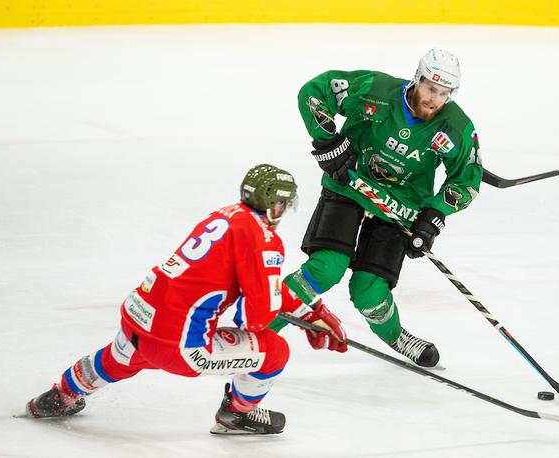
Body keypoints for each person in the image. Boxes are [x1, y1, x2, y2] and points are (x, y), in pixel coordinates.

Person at [24, 164, 347, 435]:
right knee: (275, 351)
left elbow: (256, 286)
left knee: (119, 358)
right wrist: (306, 319)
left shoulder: (224, 216)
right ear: (275, 204)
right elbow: (254, 320)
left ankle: (60, 396)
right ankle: (236, 415)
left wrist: (310, 310)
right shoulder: (264, 238)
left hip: (137, 320)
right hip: (178, 346)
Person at [271, 48, 482, 368]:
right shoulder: (375, 89)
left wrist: (433, 216)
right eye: (429, 88)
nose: (434, 99)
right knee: (326, 269)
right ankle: (261, 328)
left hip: (401, 207)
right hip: (351, 185)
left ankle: (397, 336)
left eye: (443, 93)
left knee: (368, 291)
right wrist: (328, 141)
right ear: (417, 79)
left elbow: (466, 181)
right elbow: (315, 92)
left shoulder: (456, 127)